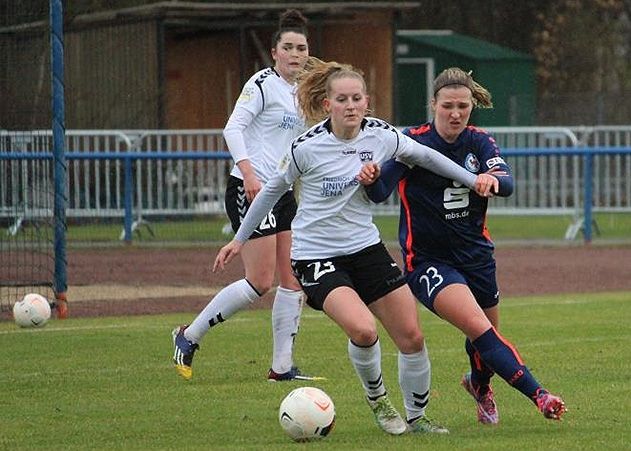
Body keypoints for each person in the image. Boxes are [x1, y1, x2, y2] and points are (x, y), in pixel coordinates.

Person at [213, 58, 499, 435]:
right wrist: (239, 238)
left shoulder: (382, 136)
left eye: (357, 98)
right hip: (316, 255)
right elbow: (270, 192)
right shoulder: (306, 147)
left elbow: (429, 157)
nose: (350, 105)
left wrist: (475, 179)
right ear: (328, 104)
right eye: (342, 99)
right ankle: (379, 401)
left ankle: (418, 419)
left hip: (365, 248)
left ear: (367, 102)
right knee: (364, 331)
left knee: (412, 336)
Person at [358, 67, 567, 423]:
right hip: (428, 261)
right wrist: (371, 178)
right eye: (448, 106)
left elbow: (508, 182)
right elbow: (379, 195)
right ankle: (541, 395)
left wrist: (491, 178)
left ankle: (480, 385)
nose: (455, 114)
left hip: (477, 255)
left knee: (485, 339)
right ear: (433, 104)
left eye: (463, 106)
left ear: (472, 106)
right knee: (479, 328)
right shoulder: (413, 142)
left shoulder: (479, 141)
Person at [172, 9, 320, 382]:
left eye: (301, 47)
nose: (295, 54)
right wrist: (250, 173)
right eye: (288, 47)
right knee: (260, 281)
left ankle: (282, 368)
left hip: (282, 192)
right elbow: (232, 128)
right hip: (249, 188)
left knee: (293, 280)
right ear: (274, 52)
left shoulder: (305, 92)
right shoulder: (261, 84)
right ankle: (188, 336)